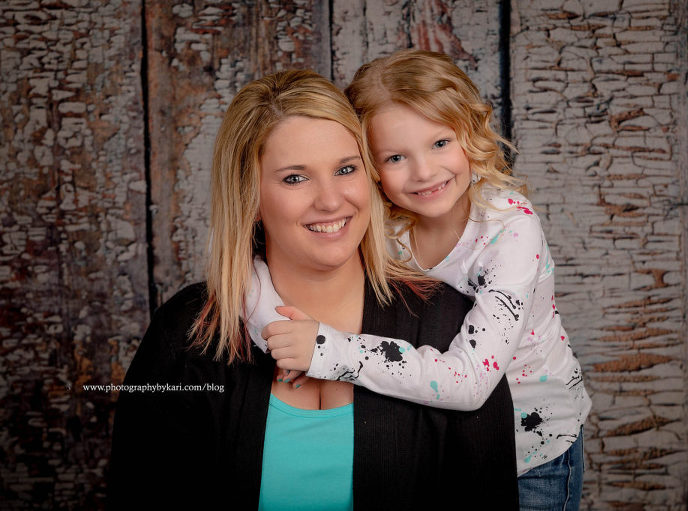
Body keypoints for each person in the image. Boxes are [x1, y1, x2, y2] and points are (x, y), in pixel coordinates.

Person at [107, 69, 518, 510]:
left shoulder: (449, 326)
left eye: (345, 169)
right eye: (295, 178)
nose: (330, 200)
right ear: (250, 197)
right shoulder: (188, 332)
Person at [254, 50, 591, 510]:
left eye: (440, 143)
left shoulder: (510, 231)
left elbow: (470, 382)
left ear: (470, 132)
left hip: (531, 450)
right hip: (432, 441)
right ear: (370, 166)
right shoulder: (382, 223)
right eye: (395, 156)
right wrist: (271, 332)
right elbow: (253, 265)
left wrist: (325, 350)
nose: (425, 172)